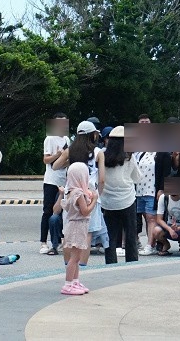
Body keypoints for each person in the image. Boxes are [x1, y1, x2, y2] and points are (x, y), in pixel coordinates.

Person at [52, 121, 107, 260]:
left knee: (68, 231)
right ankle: (82, 265)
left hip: (71, 193)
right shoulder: (98, 152)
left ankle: (67, 265)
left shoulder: (70, 150)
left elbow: (55, 166)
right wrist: (97, 195)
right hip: (89, 193)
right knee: (86, 233)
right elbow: (102, 180)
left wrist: (67, 160)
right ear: (92, 135)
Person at [99, 126, 141, 264]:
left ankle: (110, 264)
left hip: (108, 202)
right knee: (130, 235)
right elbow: (137, 178)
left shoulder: (103, 155)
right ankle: (132, 263)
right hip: (127, 201)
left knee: (110, 237)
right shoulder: (129, 157)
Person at [60, 163, 97, 295]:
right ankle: (68, 284)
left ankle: (75, 281)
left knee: (77, 256)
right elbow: (85, 211)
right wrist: (94, 201)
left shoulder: (70, 191)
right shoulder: (78, 193)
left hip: (76, 226)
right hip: (77, 227)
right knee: (75, 257)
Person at [40, 113, 69, 255]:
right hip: (51, 180)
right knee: (48, 211)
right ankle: (43, 242)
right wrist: (59, 155)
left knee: (62, 211)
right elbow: (46, 160)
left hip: (64, 180)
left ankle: (59, 240)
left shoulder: (67, 139)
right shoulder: (49, 138)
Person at [134, 148, 158, 256]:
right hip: (140, 190)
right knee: (145, 217)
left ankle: (150, 245)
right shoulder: (142, 153)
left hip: (152, 190)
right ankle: (152, 242)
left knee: (151, 218)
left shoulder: (159, 154)